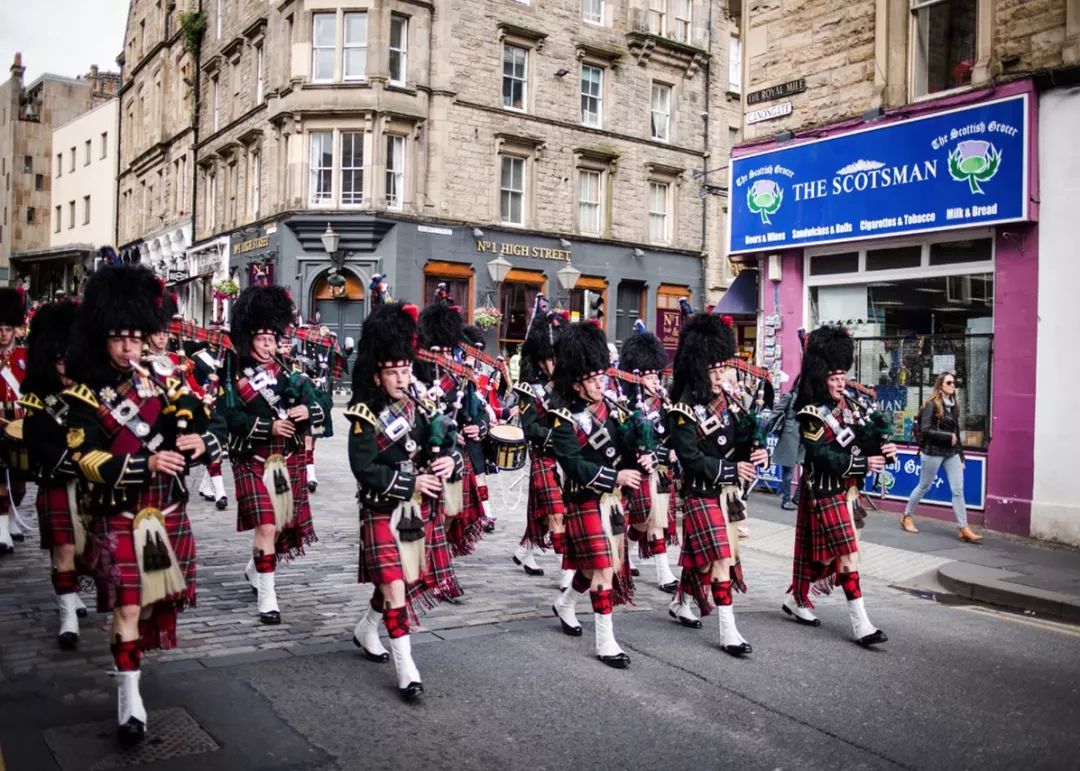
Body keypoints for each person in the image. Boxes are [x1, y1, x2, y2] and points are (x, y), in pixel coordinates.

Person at [64, 265, 221, 745]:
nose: (129, 347)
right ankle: (128, 697)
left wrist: (201, 442)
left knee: (152, 606)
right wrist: (144, 464)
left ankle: (128, 664)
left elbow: (204, 429)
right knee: (129, 607)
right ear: (102, 338)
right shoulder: (84, 395)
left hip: (168, 513)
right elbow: (84, 457)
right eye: (119, 338)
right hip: (120, 513)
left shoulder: (167, 383)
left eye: (136, 336)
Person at [344, 302, 463, 701]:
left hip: (415, 513)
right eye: (393, 371)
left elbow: (447, 445)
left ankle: (366, 627)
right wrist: (412, 480)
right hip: (381, 509)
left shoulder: (423, 405)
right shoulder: (364, 415)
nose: (401, 377)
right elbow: (364, 467)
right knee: (395, 588)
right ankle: (407, 669)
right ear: (377, 375)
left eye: (406, 369)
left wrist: (450, 460)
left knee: (397, 584)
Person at [783, 325, 896, 646]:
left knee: (817, 554)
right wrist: (863, 463)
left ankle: (796, 598)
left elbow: (864, 441)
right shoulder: (810, 414)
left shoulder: (852, 406)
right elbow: (820, 456)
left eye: (842, 378)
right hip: (824, 489)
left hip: (849, 492)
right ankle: (862, 624)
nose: (839, 384)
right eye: (833, 380)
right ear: (821, 380)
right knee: (847, 554)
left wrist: (883, 450)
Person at [218, 286, 325, 624]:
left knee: (278, 525)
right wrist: (267, 427)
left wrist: (307, 412)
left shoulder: (291, 373)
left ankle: (255, 568)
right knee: (265, 523)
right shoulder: (233, 374)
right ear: (248, 339)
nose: (268, 346)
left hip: (286, 459)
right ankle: (268, 595)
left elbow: (322, 408)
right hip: (251, 457)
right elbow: (228, 417)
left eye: (272, 340)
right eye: (262, 340)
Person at [665, 313, 768, 655]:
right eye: (712, 369)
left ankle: (681, 601)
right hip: (700, 493)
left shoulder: (731, 406)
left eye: (722, 368)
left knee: (705, 559)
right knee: (722, 558)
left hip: (727, 497)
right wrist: (732, 471)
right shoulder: (682, 410)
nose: (720, 375)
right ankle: (728, 631)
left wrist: (756, 452)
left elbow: (740, 442)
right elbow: (691, 458)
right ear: (697, 369)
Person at [548, 322, 642, 669]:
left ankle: (565, 604)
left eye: (603, 378)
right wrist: (613, 475)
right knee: (603, 568)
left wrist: (641, 451)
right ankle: (606, 642)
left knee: (590, 570)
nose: (602, 384)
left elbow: (626, 451)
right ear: (577, 383)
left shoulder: (614, 411)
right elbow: (572, 464)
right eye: (594, 380)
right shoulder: (562, 419)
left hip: (613, 502)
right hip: (584, 500)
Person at [19, 300, 90, 649]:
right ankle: (66, 616)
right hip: (56, 478)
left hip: (91, 483)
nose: (65, 365)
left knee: (83, 551)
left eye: (70, 358)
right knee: (62, 547)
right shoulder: (37, 397)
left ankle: (72, 593)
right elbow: (37, 441)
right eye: (59, 358)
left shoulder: (92, 394)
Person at [620, 321, 680, 593]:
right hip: (637, 468)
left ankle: (642, 560)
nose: (655, 381)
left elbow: (672, 434)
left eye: (657, 376)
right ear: (636, 377)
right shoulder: (627, 404)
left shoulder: (664, 402)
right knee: (648, 519)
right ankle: (656, 568)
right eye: (649, 376)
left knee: (652, 520)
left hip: (661, 468)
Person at [512, 298, 566, 580]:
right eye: (549, 358)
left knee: (544, 513)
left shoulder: (566, 387)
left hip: (566, 461)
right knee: (556, 514)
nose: (554, 363)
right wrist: (558, 437)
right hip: (543, 457)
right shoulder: (528, 389)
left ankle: (525, 551)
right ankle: (569, 580)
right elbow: (530, 427)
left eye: (557, 357)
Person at [902, 372, 981, 542]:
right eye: (949, 382)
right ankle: (907, 516)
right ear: (940, 386)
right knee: (924, 486)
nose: (953, 385)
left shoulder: (954, 405)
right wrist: (947, 437)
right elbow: (925, 429)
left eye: (955, 382)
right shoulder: (932, 404)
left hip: (951, 453)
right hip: (933, 451)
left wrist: (961, 456)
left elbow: (956, 433)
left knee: (958, 490)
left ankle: (963, 527)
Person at [0, 287, 29, 553]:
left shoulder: (24, 357)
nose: (3, 334)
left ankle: (12, 517)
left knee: (19, 479)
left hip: (19, 420)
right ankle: (1, 526)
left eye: (8, 328)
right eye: (0, 328)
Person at [772, 383, 803, 511]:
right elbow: (776, 411)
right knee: (788, 470)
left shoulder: (808, 397)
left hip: (803, 434)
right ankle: (786, 500)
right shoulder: (789, 396)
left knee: (808, 467)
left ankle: (797, 496)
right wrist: (763, 428)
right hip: (789, 434)